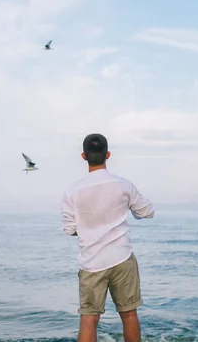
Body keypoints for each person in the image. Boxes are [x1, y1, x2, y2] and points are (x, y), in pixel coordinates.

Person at [61, 134, 155, 342]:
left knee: (89, 319)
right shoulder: (123, 184)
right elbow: (147, 212)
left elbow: (70, 229)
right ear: (108, 154)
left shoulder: (72, 191)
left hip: (92, 262)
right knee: (129, 314)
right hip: (122, 258)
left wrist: (89, 227)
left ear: (84, 156)